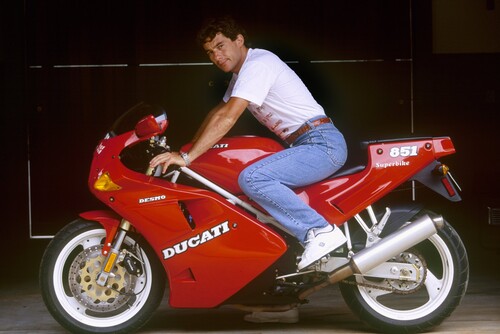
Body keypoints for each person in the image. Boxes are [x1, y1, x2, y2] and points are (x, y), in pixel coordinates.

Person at [149, 16, 348, 322]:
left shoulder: (258, 65)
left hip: (321, 143)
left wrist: (186, 159)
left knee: (254, 177)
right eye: (210, 52)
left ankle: (319, 231)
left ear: (239, 40)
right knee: (254, 202)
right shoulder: (242, 75)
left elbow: (229, 117)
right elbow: (218, 111)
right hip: (305, 144)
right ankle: (280, 298)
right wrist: (186, 151)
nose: (217, 56)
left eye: (221, 46)